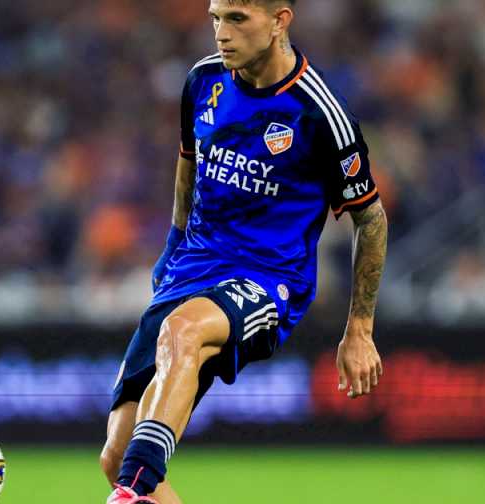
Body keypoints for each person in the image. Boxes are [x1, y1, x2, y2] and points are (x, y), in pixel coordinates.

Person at [103, 1, 388, 502]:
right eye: (215, 17)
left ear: (280, 21)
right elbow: (189, 162)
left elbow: (371, 217)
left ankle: (131, 492)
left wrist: (360, 329)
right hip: (192, 267)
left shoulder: (318, 112)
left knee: (184, 331)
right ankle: (131, 482)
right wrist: (172, 248)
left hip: (267, 278)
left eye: (237, 19)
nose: (221, 33)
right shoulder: (202, 81)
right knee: (115, 450)